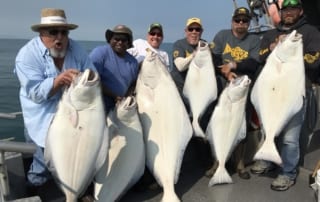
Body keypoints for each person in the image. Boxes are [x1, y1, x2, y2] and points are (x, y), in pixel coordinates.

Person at [14, 8, 95, 197]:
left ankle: (77, 189)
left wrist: (87, 79)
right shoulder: (26, 55)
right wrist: (59, 81)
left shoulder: (76, 49)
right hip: (42, 120)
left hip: (73, 118)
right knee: (43, 163)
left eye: (64, 32)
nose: (59, 37)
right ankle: (33, 188)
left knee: (77, 157)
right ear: (41, 33)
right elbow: (35, 93)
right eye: (53, 32)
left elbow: (92, 72)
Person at [250, 0, 320, 191]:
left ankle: (288, 173)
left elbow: (315, 60)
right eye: (285, 9)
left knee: (290, 137)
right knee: (268, 130)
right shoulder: (271, 33)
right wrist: (273, 46)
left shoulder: (310, 32)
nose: (289, 13)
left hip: (295, 92)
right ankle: (268, 161)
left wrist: (295, 47)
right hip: (271, 92)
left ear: (301, 11)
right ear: (281, 12)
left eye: (293, 9)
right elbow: (261, 56)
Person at [207, 6, 261, 180]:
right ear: (232, 21)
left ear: (249, 23)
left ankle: (240, 164)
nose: (241, 23)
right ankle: (216, 163)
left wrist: (234, 66)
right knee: (218, 127)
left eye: (245, 21)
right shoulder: (222, 36)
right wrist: (226, 72)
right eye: (237, 20)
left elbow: (253, 64)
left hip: (242, 93)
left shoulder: (254, 40)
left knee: (241, 127)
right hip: (223, 91)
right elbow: (214, 58)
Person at [89, 25, 139, 114]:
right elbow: (91, 79)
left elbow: (133, 84)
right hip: (97, 106)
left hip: (120, 108)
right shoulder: (100, 53)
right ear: (110, 40)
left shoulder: (133, 62)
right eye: (116, 39)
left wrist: (126, 98)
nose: (120, 42)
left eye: (123, 40)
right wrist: (114, 96)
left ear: (128, 43)